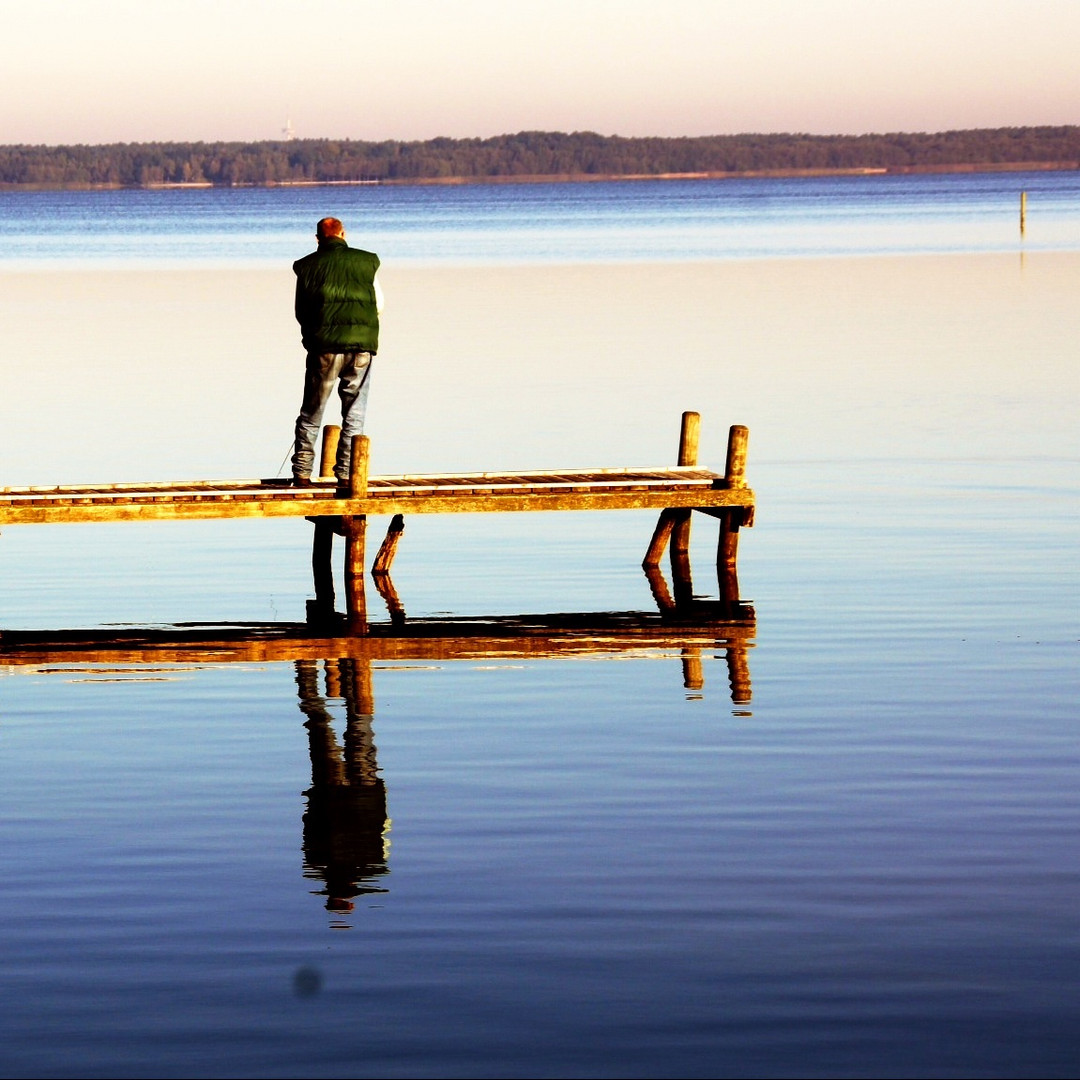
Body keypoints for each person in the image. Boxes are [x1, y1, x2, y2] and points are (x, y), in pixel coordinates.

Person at [291, 217, 384, 486]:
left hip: (324, 348)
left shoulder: (307, 266)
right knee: (354, 412)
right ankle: (345, 475)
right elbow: (379, 305)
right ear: (343, 234)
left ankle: (302, 473)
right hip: (361, 347)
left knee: (312, 410)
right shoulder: (367, 262)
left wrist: (314, 336)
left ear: (317, 238)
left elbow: (301, 312)